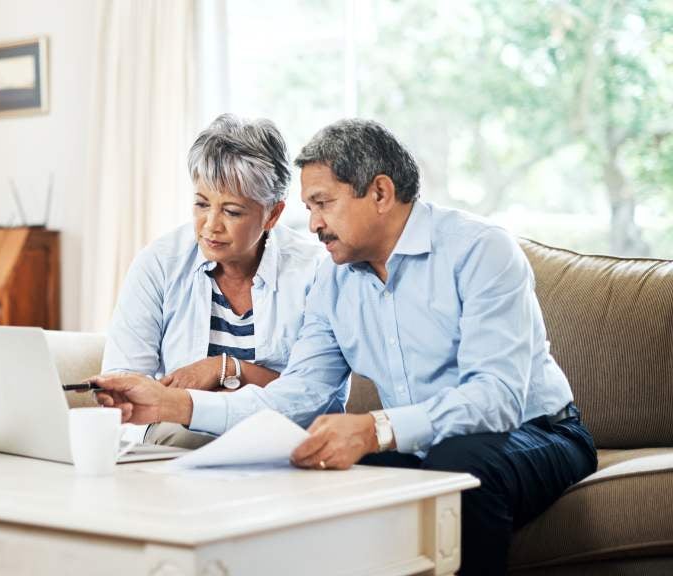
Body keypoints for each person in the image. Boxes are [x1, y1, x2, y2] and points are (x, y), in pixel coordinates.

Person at [89, 119, 597, 574]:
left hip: (537, 431)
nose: (312, 225)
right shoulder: (332, 281)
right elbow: (298, 397)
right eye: (310, 208)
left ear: (380, 192)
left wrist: (375, 429)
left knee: (460, 466)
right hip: (424, 444)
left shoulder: (481, 250)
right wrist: (175, 404)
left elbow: (496, 399)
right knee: (326, 483)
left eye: (323, 204)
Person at [102, 114, 326, 448]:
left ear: (273, 214)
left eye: (232, 211)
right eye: (201, 204)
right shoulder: (160, 263)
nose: (210, 226)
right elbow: (124, 382)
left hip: (276, 439)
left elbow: (315, 397)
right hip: (176, 439)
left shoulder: (313, 272)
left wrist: (225, 368)